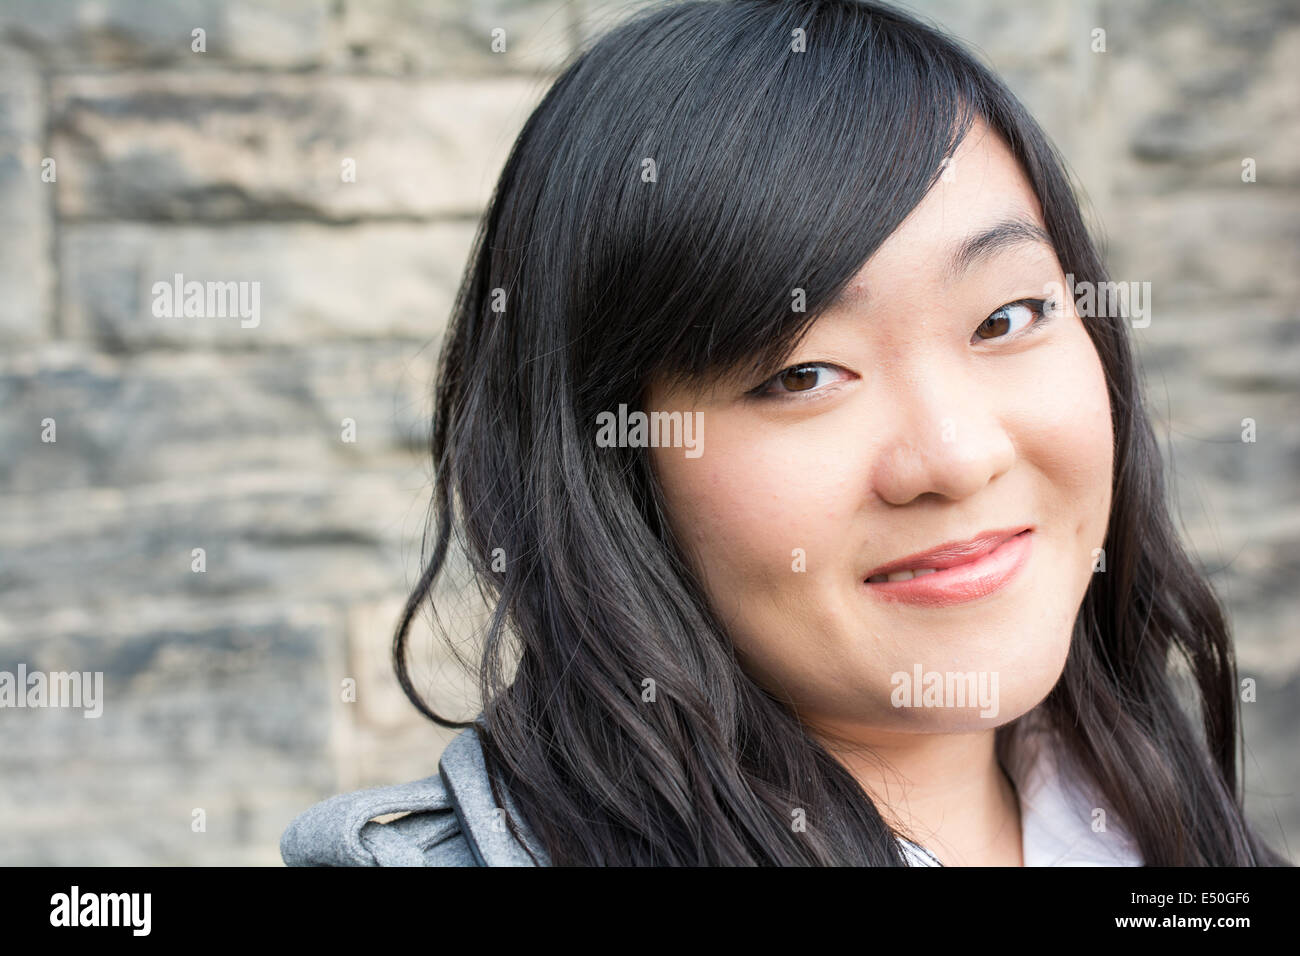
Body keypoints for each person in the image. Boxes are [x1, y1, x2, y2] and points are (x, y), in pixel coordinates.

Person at [280, 0, 1288, 866]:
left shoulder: (1163, 825)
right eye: (802, 374)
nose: (954, 454)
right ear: (612, 468)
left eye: (1005, 316)